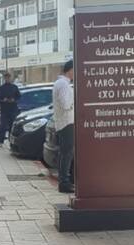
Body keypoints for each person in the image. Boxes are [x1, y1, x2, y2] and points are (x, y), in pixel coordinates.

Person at [53, 60, 75, 193]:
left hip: (65, 122)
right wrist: (75, 100)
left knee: (65, 153)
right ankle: (64, 183)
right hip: (66, 122)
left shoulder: (62, 83)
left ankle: (65, 181)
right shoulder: (63, 84)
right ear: (70, 70)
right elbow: (66, 104)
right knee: (66, 154)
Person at [0, 72, 21, 148]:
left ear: (10, 78)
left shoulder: (14, 87)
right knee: (3, 126)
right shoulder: (1, 88)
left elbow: (19, 97)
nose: (7, 79)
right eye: (6, 78)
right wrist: (3, 100)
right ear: (4, 78)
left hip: (13, 109)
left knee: (12, 127)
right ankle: (0, 141)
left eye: (9, 78)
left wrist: (14, 99)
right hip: (4, 110)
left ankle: (11, 142)